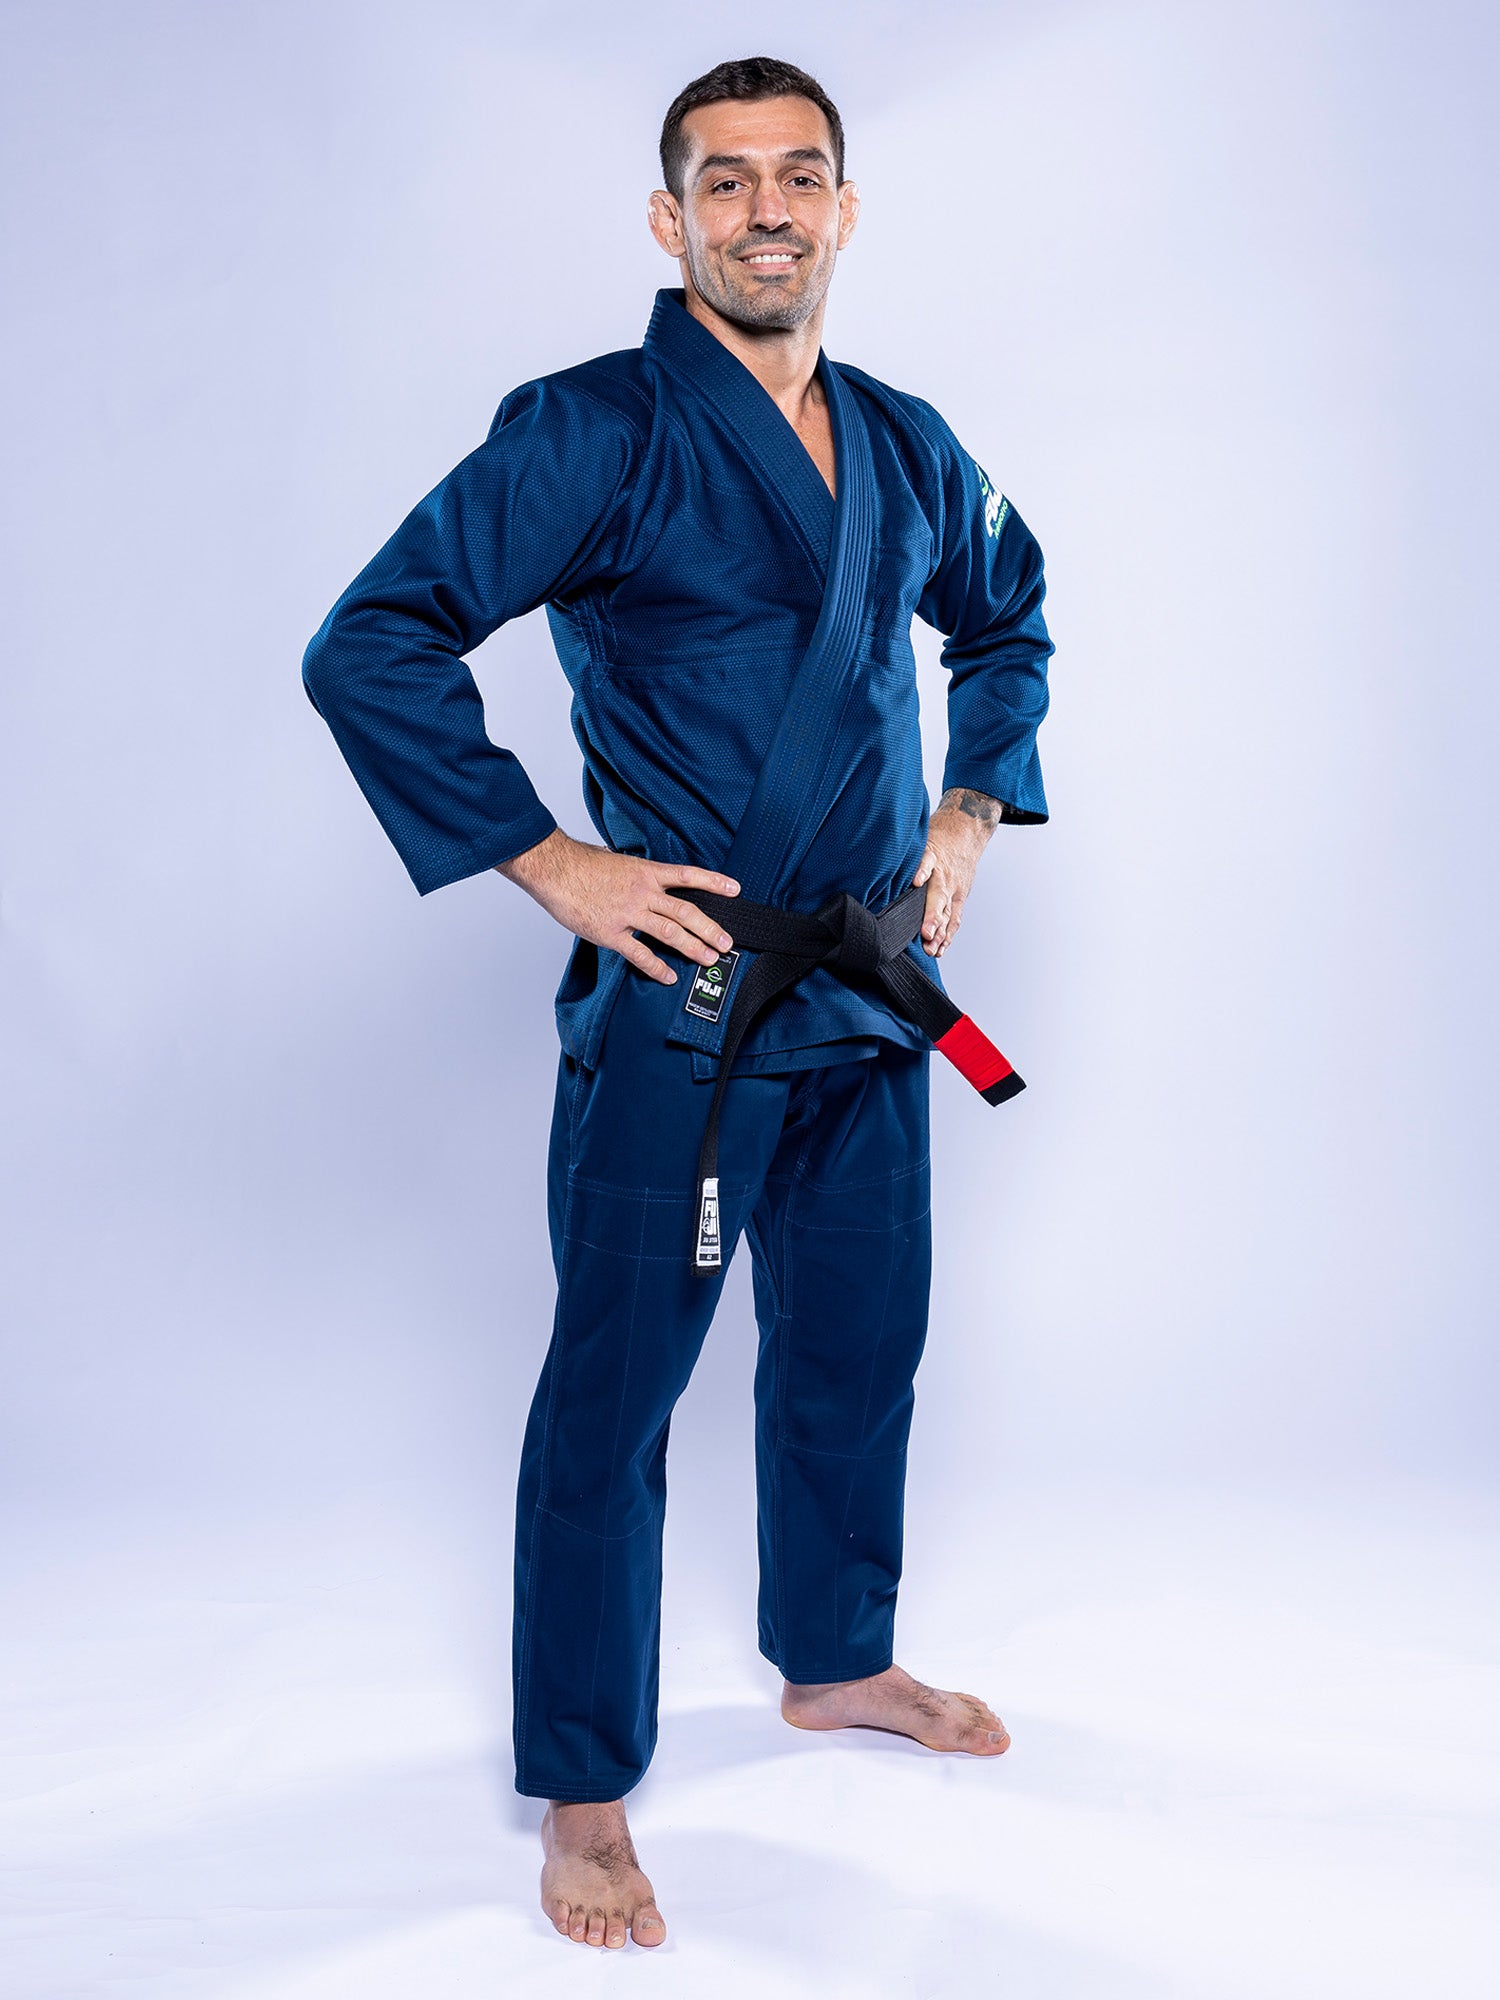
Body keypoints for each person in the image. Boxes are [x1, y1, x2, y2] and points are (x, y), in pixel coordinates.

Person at [301, 54, 1055, 1951]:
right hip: (690, 1000)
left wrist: (971, 802)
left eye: (800, 175)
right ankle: (582, 1785)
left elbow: (1009, 606)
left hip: (871, 985)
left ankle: (836, 1658)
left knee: (856, 1348)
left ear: (845, 211)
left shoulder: (905, 442)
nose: (766, 210)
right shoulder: (594, 429)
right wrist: (547, 859)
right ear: (673, 220)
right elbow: (370, 640)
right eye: (726, 182)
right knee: (616, 1397)